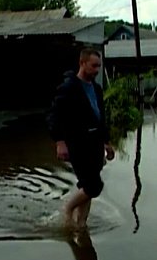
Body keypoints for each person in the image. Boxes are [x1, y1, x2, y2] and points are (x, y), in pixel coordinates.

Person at [46, 47, 115, 229]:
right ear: (82, 63)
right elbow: (54, 115)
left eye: (99, 66)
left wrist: (107, 143)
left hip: (95, 143)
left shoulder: (97, 89)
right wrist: (60, 142)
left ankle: (81, 224)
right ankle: (68, 209)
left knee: (88, 185)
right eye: (94, 66)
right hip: (78, 144)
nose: (97, 70)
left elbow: (100, 118)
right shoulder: (69, 88)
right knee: (94, 186)